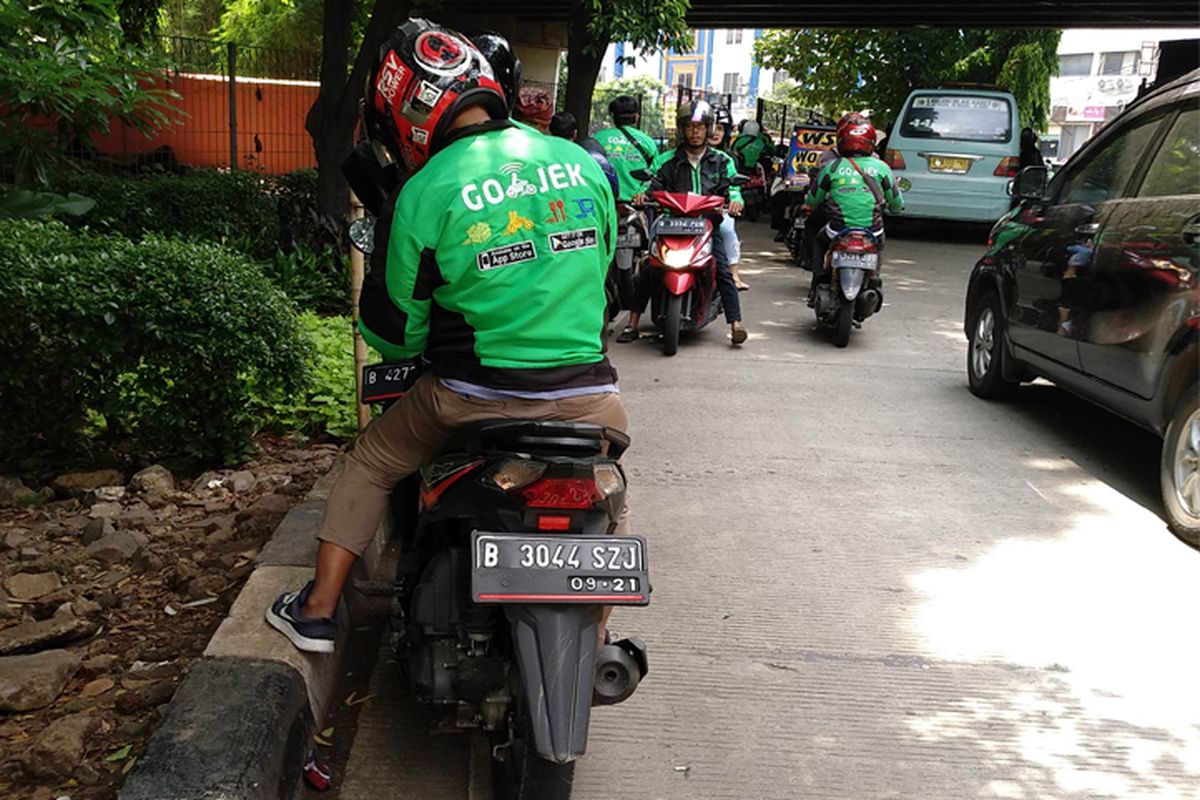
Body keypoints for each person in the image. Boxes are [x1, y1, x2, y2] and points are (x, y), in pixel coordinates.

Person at [266, 18, 625, 654]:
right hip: (592, 399)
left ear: (405, 116)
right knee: (608, 498)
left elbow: (397, 336)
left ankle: (317, 612)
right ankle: (599, 633)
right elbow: (601, 270)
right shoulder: (580, 162)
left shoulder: (424, 190)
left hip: (470, 397)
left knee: (370, 463)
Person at [618, 100, 747, 346]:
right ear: (681, 129)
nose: (694, 132)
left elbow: (733, 187)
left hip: (706, 226)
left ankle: (736, 324)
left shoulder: (722, 161)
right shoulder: (666, 160)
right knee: (649, 269)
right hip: (671, 225)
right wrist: (642, 194)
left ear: (709, 129)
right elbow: (650, 182)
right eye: (689, 126)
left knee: (722, 271)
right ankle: (632, 323)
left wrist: (736, 201)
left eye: (700, 127)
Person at [802, 117, 903, 305]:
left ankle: (818, 281)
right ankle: (875, 279)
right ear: (871, 142)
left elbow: (812, 200)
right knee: (879, 243)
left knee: (819, 241)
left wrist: (809, 206)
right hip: (872, 230)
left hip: (837, 230)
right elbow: (896, 204)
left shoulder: (831, 167)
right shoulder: (882, 168)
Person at [708, 105, 749, 290]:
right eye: (711, 127)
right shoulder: (677, 155)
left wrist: (735, 200)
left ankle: (734, 274)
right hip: (684, 210)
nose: (715, 133)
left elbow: (734, 186)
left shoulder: (726, 159)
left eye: (720, 128)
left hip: (716, 210)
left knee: (727, 231)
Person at [594, 95, 661, 201]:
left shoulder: (597, 138)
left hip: (603, 201)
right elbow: (656, 173)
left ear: (613, 116)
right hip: (636, 203)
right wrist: (643, 193)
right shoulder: (648, 142)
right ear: (636, 117)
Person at [549, 110, 620, 200]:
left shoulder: (541, 158)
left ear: (550, 132)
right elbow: (613, 192)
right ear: (575, 133)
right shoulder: (592, 159)